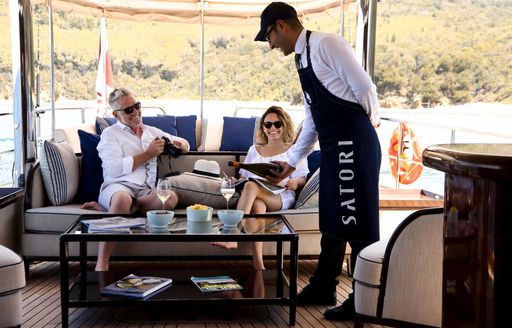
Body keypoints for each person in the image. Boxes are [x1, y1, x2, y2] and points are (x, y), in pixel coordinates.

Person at [254, 2, 382, 321]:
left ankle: (366, 299)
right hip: (334, 149)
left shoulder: (327, 44)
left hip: (353, 144)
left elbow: (365, 87)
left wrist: (369, 122)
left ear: (281, 25)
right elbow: (313, 117)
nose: (269, 44)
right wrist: (292, 159)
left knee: (358, 224)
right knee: (332, 221)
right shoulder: (302, 57)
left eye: (268, 35)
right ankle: (323, 285)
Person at [89, 87, 190, 271]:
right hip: (117, 186)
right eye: (128, 110)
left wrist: (180, 145)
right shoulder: (110, 134)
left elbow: (185, 144)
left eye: (136, 106)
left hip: (145, 190)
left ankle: (116, 209)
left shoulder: (151, 131)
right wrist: (148, 154)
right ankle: (102, 263)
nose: (135, 112)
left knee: (171, 197)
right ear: (116, 115)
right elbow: (113, 168)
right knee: (121, 198)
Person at [212, 106, 308, 270]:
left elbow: (302, 178)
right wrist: (237, 180)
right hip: (256, 195)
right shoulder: (254, 149)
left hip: (280, 194)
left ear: (284, 125)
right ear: (263, 127)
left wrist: (294, 183)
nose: (272, 128)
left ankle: (232, 233)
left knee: (251, 185)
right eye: (268, 124)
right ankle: (258, 264)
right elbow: (244, 175)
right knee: (257, 206)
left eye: (277, 124)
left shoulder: (293, 150)